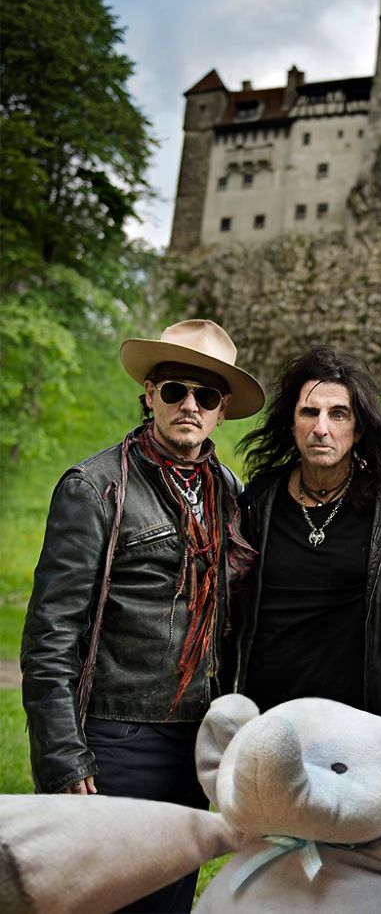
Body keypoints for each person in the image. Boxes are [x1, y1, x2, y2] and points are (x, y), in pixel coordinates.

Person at [20, 319, 264, 914]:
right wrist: (62, 755)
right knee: (99, 896)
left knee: (169, 895)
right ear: (149, 394)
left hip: (196, 737)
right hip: (116, 731)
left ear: (221, 410)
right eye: (175, 389)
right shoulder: (95, 487)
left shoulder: (229, 491)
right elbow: (51, 632)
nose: (189, 405)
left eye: (205, 396)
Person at [234, 344, 381, 716]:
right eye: (310, 412)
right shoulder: (256, 505)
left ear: (357, 430)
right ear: (292, 425)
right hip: (265, 721)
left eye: (338, 414)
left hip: (358, 729)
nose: (321, 428)